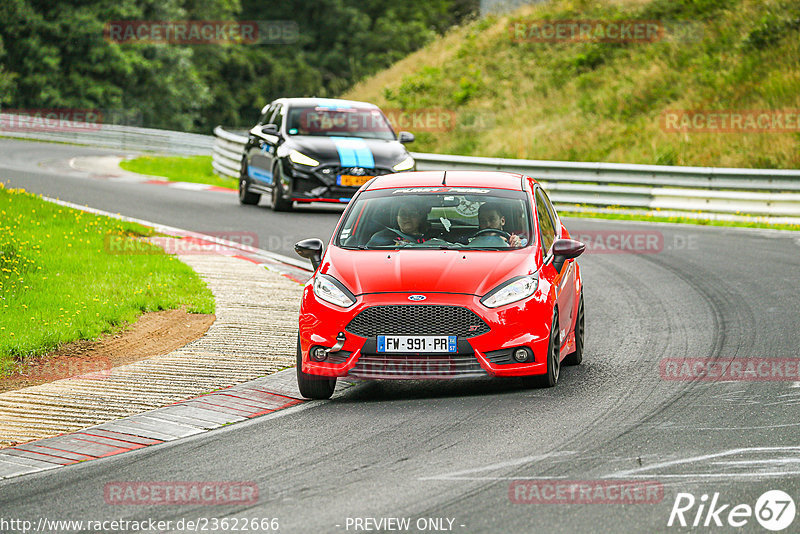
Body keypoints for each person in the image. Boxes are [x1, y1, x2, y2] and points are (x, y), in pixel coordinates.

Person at [366, 199, 440, 247]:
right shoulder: (381, 237)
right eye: (403, 214)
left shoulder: (436, 237)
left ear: (420, 217)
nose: (407, 217)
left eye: (412, 213)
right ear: (396, 218)